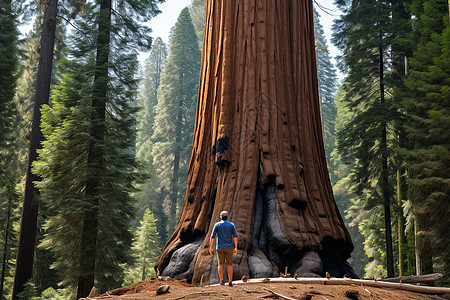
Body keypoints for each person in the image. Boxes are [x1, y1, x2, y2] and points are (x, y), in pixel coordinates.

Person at [209, 211, 238, 287]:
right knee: (230, 264)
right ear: (227, 217)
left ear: (220, 217)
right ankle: (230, 282)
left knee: (220, 264)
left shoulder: (217, 225)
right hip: (229, 248)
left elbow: (212, 237)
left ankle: (221, 281)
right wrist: (236, 247)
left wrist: (210, 247)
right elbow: (235, 237)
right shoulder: (231, 225)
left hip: (220, 248)